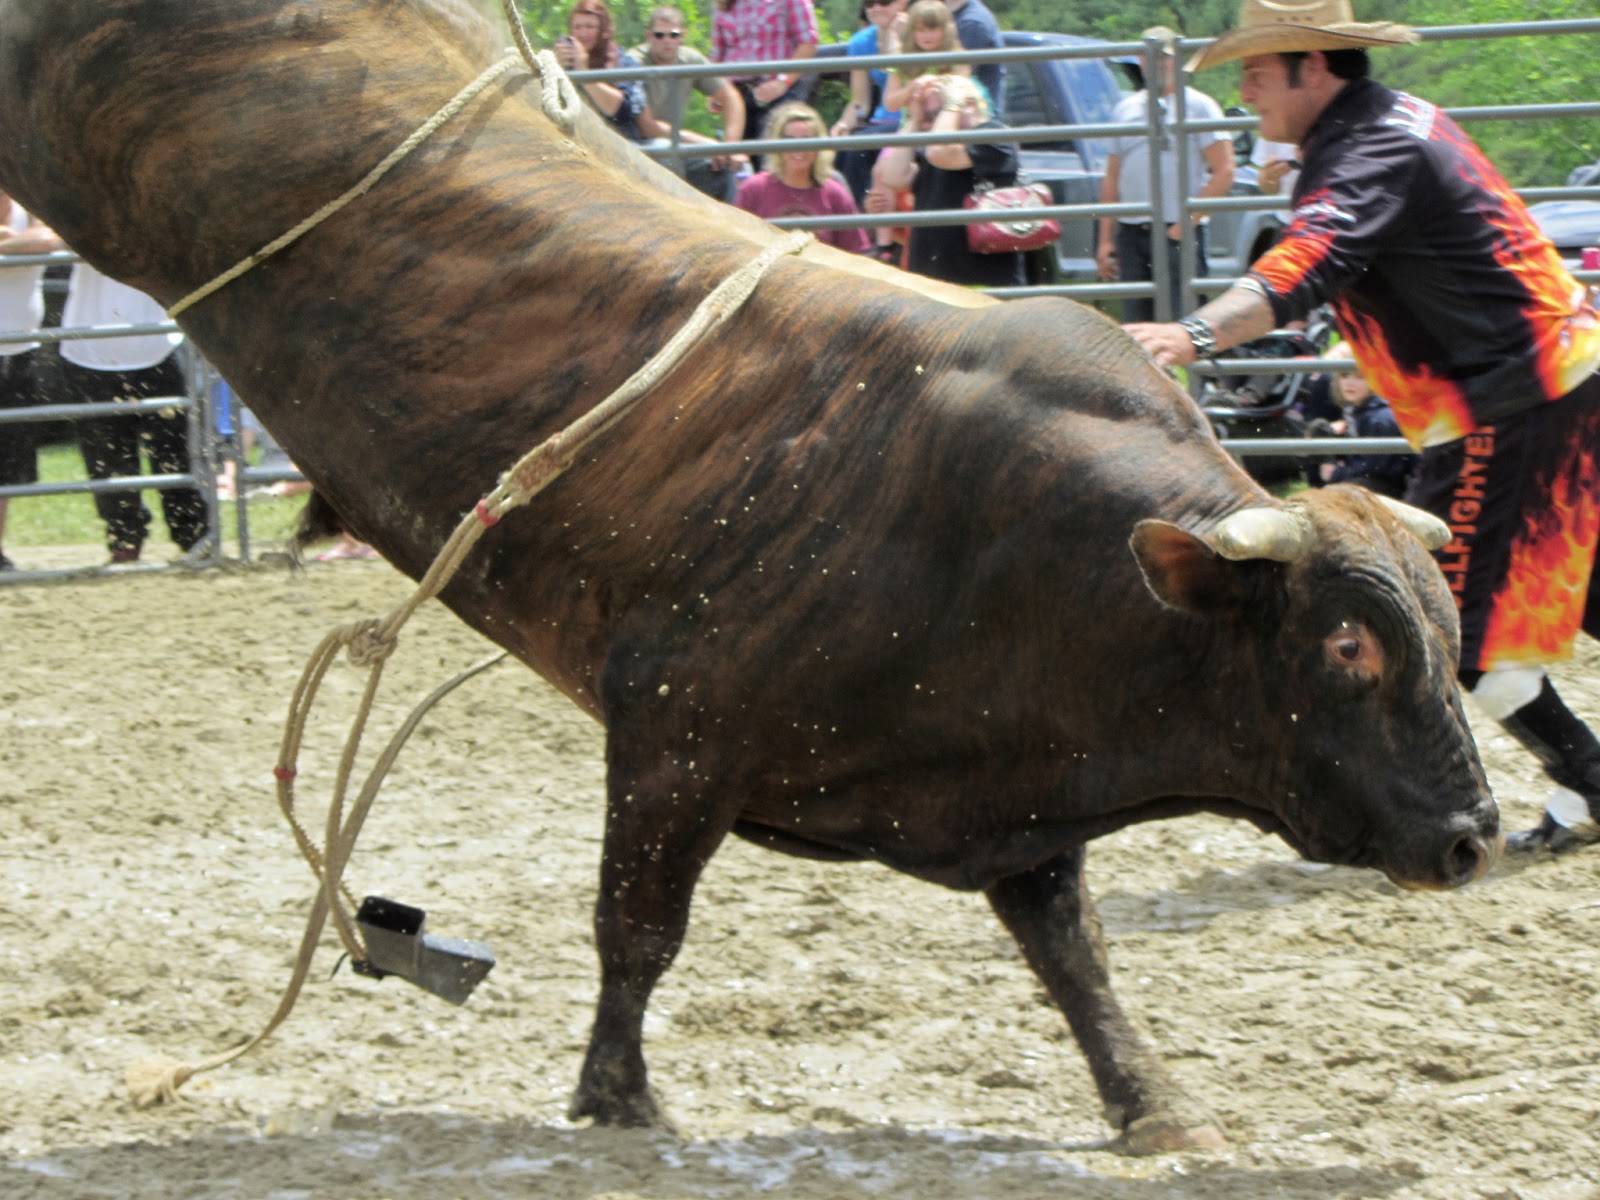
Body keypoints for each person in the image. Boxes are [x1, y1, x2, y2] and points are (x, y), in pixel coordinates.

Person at [1125, 0, 1600, 854]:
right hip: (1556, 380)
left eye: (1259, 71)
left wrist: (1191, 334)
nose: (1246, 93)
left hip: (1507, 401)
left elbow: (1310, 260)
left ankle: (1591, 779)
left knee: (1449, 628)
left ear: (1314, 64)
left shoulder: (1370, 149)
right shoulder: (1386, 131)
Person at [59, 261, 208, 565]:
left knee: (175, 451)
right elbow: (51, 236)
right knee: (106, 459)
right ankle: (124, 540)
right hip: (88, 351)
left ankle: (194, 536)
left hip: (159, 342)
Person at [1096, 27, 1235, 323]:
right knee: (1137, 327)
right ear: (1140, 61)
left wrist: (1186, 223)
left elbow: (1225, 170)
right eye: (1150, 57)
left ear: (1178, 60)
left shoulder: (1199, 105)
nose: (1157, 63)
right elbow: (1111, 178)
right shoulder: (1125, 109)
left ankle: (1191, 371)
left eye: (1165, 57)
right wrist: (1105, 239)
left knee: (1186, 321)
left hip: (1179, 230)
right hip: (1133, 231)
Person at [872, 73, 1023, 287]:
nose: (933, 123)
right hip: (932, 278)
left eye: (938, 113)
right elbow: (893, 175)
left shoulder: (994, 135)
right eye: (929, 115)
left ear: (968, 104)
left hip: (982, 279)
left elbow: (940, 153)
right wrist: (915, 119)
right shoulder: (933, 146)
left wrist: (952, 104)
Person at [0, 195, 62, 572]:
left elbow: (49, 240)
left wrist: (5, 242)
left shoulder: (27, 205)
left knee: (4, 463)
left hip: (21, 351)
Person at [630, 6, 748, 201]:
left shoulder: (689, 58)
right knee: (664, 151)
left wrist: (730, 146)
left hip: (676, 143)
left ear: (682, 35)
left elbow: (731, 97)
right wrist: (703, 143)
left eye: (673, 35)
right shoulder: (635, 63)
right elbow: (648, 127)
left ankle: (741, 225)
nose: (667, 41)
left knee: (737, 166)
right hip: (640, 144)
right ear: (649, 36)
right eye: (659, 35)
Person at [734, 103, 873, 255]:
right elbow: (737, 246)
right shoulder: (753, 189)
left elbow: (856, 252)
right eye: (790, 140)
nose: (798, 147)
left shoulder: (835, 194)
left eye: (807, 139)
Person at [830, 0, 908, 210]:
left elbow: (898, 71)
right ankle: (852, 215)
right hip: (880, 120)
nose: (876, 8)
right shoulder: (862, 42)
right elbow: (860, 101)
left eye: (884, 2)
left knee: (860, 149)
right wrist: (844, 124)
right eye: (869, 3)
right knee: (841, 148)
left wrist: (894, 39)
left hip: (909, 116)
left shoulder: (917, 32)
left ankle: (867, 217)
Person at [1309, 342, 1414, 499]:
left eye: (1360, 377)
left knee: (1342, 492)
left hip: (1386, 489)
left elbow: (1375, 468)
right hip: (1367, 479)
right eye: (1344, 376)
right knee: (1319, 430)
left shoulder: (1380, 418)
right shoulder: (1358, 410)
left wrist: (1337, 472)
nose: (1349, 383)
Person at [711, 0, 819, 149]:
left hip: (781, 93)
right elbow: (718, 52)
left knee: (773, 156)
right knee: (737, 158)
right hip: (737, 95)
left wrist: (782, 82)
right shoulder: (723, 3)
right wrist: (715, 89)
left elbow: (808, 43)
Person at [553, 0, 650, 144]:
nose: (583, 33)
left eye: (590, 26)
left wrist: (583, 73)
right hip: (576, 137)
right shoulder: (564, 57)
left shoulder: (624, 63)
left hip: (622, 142)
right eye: (577, 27)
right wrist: (555, 65)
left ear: (603, 29)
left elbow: (620, 112)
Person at [881, 1, 971, 117]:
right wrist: (912, 88)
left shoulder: (958, 57)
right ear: (911, 32)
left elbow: (963, 89)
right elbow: (890, 104)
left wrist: (933, 82)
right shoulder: (901, 61)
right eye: (921, 30)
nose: (927, 36)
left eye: (933, 30)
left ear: (946, 30)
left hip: (951, 122)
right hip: (913, 126)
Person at [944, 0, 1005, 117]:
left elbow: (958, 74)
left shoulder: (972, 23)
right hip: (959, 111)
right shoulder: (957, 15)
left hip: (976, 119)